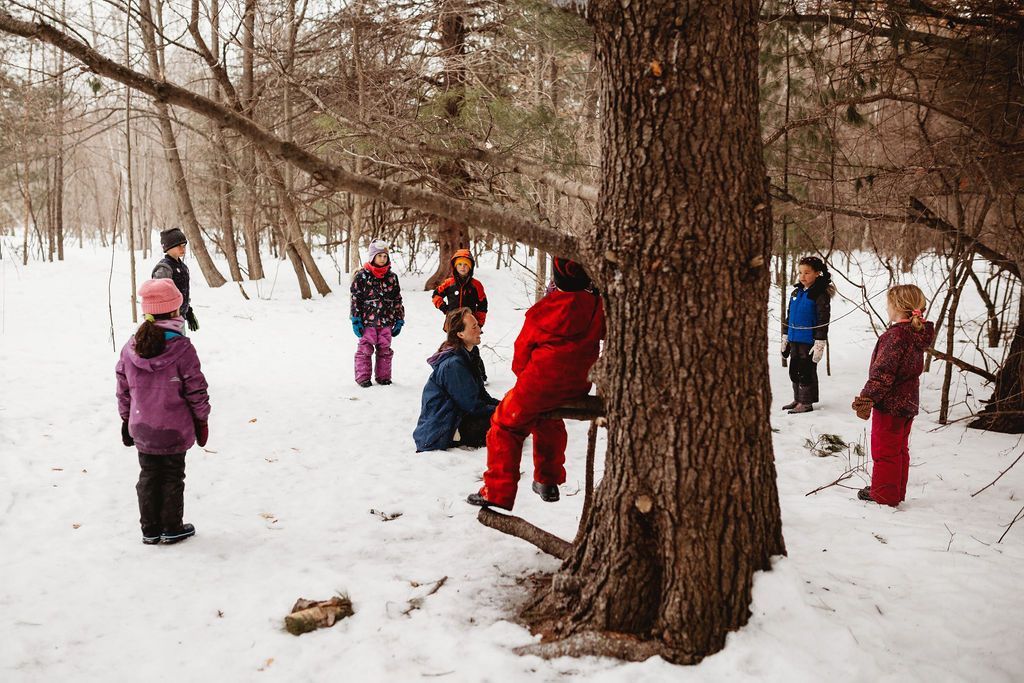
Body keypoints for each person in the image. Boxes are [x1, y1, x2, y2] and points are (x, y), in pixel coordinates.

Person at [467, 258, 604, 510]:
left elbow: (521, 353)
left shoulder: (542, 311)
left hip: (539, 384)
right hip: (579, 384)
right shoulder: (597, 307)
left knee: (504, 424)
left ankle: (496, 490)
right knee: (547, 418)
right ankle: (548, 480)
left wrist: (525, 379)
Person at [116, 278, 211, 545]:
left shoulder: (130, 347)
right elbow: (196, 390)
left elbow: (123, 389)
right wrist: (201, 420)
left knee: (148, 475)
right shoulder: (182, 349)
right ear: (174, 312)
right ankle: (171, 527)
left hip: (143, 428)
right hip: (173, 430)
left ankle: (150, 529)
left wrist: (126, 419)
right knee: (171, 475)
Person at [851, 285, 934, 507]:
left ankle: (884, 496)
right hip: (907, 403)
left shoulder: (895, 337)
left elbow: (883, 373)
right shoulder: (915, 333)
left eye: (889, 304)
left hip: (890, 405)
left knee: (885, 450)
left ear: (897, 307)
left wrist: (867, 399)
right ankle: (893, 490)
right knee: (898, 450)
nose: (887, 308)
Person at [413, 307, 499, 452]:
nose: (480, 330)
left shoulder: (470, 354)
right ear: (460, 334)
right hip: (442, 430)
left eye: (478, 325)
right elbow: (472, 405)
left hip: (460, 417)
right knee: (507, 424)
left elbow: (481, 395)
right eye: (474, 327)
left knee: (511, 418)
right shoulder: (453, 364)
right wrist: (503, 412)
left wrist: (506, 406)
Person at [781, 256, 834, 414]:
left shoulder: (819, 294)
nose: (802, 276)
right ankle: (798, 398)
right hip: (794, 338)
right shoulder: (796, 292)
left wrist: (820, 341)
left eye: (807, 273)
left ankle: (806, 402)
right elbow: (789, 316)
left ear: (817, 273)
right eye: (800, 272)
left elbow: (823, 319)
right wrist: (785, 336)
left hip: (809, 341)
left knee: (806, 371)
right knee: (794, 370)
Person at [350, 239, 405, 388]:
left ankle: (383, 377)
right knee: (365, 349)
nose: (382, 259)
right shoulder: (362, 276)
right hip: (368, 322)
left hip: (386, 321)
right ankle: (363, 377)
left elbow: (397, 299)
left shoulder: (392, 278)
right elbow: (356, 299)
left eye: (385, 256)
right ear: (372, 257)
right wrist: (356, 319)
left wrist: (399, 319)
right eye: (379, 255)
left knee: (385, 350)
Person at [431, 249, 489, 381]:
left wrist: (479, 323)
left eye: (466, 265)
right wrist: (443, 307)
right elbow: (436, 295)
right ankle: (451, 371)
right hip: (453, 324)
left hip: (469, 324)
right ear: (455, 266)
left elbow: (483, 305)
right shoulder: (449, 283)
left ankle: (479, 375)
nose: (463, 267)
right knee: (452, 347)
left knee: (471, 349)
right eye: (460, 264)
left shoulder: (476, 285)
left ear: (470, 267)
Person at [152, 228, 199, 333]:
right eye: (179, 246)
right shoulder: (164, 268)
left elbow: (182, 292)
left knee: (180, 346)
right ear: (168, 247)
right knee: (171, 347)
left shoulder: (183, 267)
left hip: (180, 317)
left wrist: (188, 311)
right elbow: (157, 296)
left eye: (184, 246)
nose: (183, 249)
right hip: (166, 320)